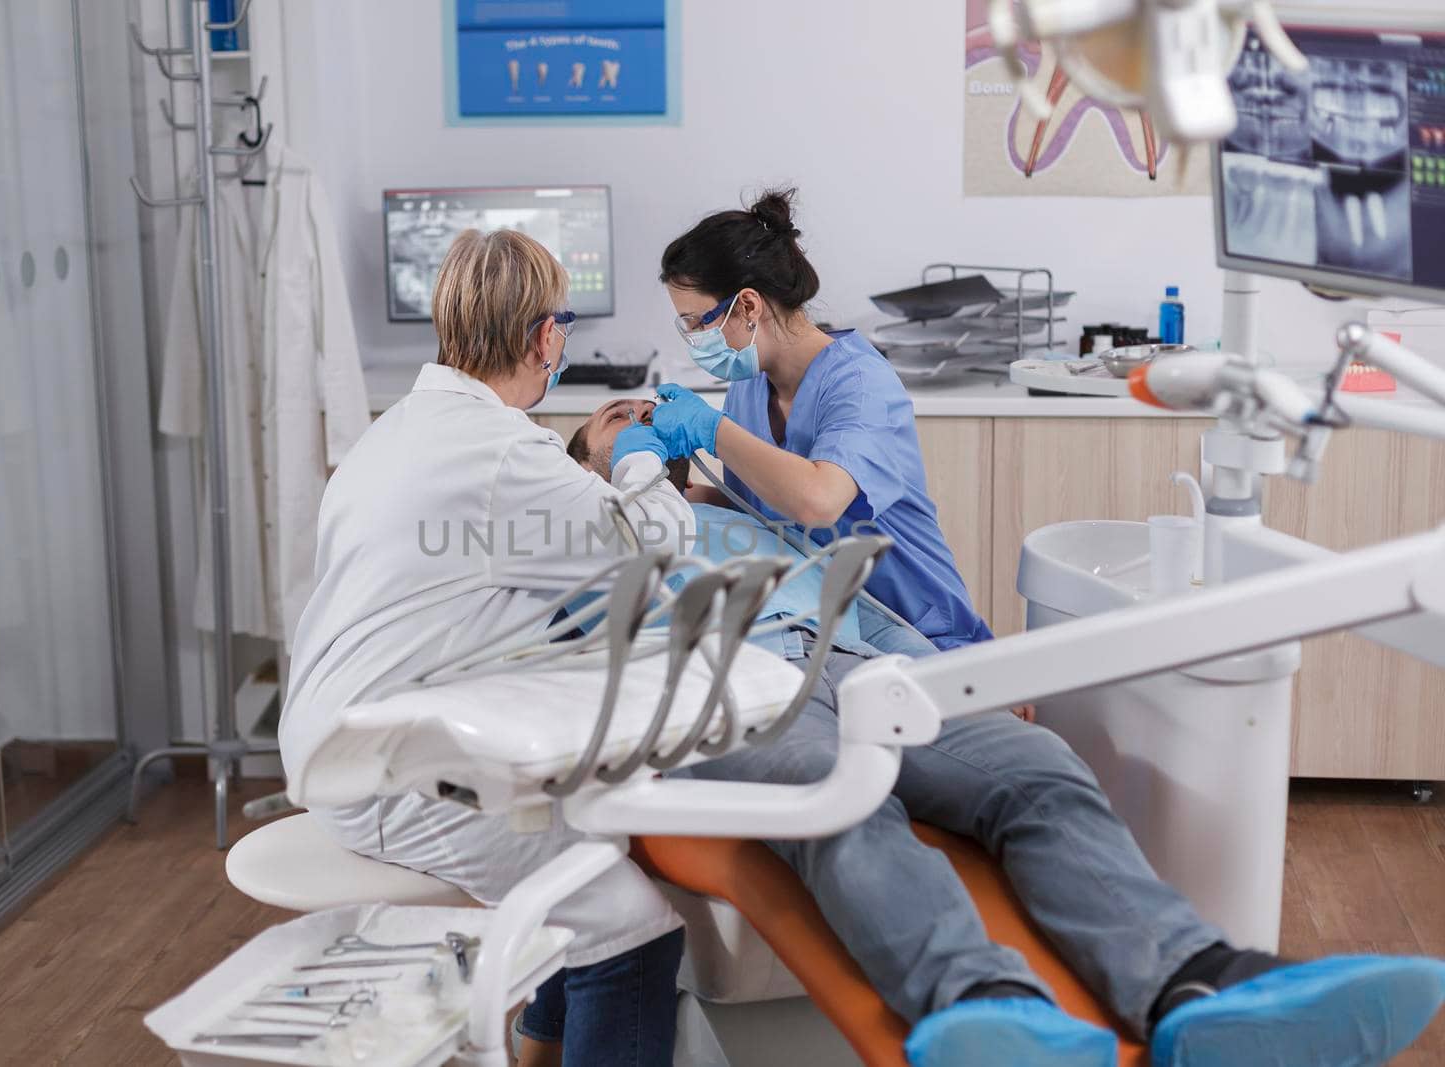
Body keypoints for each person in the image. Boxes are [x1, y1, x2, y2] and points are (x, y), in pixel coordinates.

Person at [633, 190, 1445, 1067]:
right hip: (765, 669)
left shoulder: (843, 381)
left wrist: (707, 442)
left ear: (747, 306)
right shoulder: (644, 499)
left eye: (695, 322)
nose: (693, 347)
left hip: (905, 643)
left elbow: (817, 497)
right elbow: (764, 510)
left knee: (1040, 772)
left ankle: (1203, 981)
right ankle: (988, 1007)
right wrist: (677, 503)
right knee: (843, 793)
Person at [279, 229, 695, 1067]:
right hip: (392, 769)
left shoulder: (398, 430)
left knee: (574, 855)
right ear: (547, 337)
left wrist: (577, 463)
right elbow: (657, 542)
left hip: (334, 740)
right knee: (632, 922)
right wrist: (636, 455)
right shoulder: (504, 451)